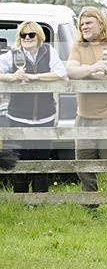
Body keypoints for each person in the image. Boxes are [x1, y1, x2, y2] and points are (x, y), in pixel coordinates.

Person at [66, 6, 107, 193]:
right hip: (84, 114)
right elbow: (71, 71)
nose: (84, 27)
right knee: (83, 164)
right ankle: (90, 203)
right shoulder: (78, 46)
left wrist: (88, 74)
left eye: (88, 23)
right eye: (82, 24)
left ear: (100, 23)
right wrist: (94, 68)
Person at [0, 22, 68, 193]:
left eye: (31, 34)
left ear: (39, 37)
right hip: (17, 116)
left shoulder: (49, 51)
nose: (27, 38)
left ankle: (40, 199)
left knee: (41, 158)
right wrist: (10, 77)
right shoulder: (13, 54)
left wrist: (35, 77)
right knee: (20, 159)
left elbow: (61, 74)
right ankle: (21, 199)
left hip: (45, 116)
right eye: (23, 35)